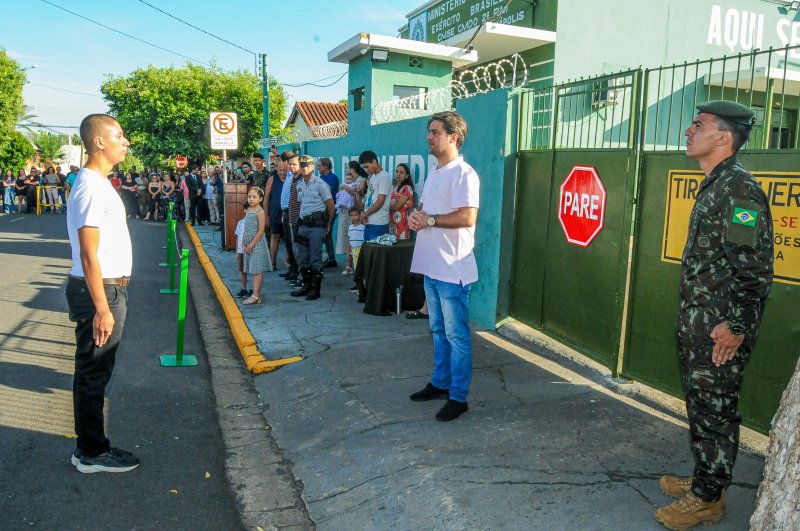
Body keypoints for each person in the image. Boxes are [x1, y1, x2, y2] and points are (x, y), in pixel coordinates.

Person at [653, 101, 774, 530]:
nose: (688, 130)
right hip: (701, 321)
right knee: (702, 405)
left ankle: (708, 499)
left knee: (716, 408)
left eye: (698, 125)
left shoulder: (739, 190)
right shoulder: (716, 184)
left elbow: (755, 271)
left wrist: (735, 327)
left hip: (721, 328)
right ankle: (707, 478)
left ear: (724, 137)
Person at [65, 113, 139, 473]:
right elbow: (87, 252)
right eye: (119, 135)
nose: (125, 142)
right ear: (98, 141)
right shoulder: (91, 186)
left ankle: (89, 447)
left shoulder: (99, 183)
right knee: (94, 372)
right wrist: (102, 307)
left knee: (94, 370)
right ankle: (92, 452)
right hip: (101, 291)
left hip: (108, 288)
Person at [408, 111, 480, 423]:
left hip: (453, 270)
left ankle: (458, 397)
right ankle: (440, 383)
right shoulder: (437, 173)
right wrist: (416, 217)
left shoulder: (464, 174)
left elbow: (468, 217)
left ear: (453, 137)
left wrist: (432, 220)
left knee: (456, 336)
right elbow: (427, 211)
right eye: (430, 132)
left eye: (435, 132)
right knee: (438, 331)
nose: (429, 137)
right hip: (432, 268)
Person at [291, 155, 335, 300]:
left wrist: (328, 224)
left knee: (316, 257)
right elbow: (301, 204)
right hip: (303, 225)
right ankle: (306, 286)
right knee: (303, 257)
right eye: (302, 165)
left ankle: (316, 290)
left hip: (317, 227)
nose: (304, 168)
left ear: (313, 166)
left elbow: (330, 205)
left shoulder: (320, 184)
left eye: (307, 165)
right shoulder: (299, 185)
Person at [336, 161, 368, 275]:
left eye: (348, 168)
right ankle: (348, 265)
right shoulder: (348, 180)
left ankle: (356, 267)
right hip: (346, 212)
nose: (347, 170)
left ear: (352, 169)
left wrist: (345, 186)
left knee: (356, 240)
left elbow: (357, 192)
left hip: (357, 213)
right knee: (347, 240)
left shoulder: (362, 180)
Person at [241, 188, 270, 305]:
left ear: (261, 199)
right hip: (247, 243)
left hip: (256, 244)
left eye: (254, 197)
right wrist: (243, 243)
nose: (251, 199)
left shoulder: (260, 212)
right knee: (251, 269)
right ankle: (256, 294)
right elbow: (245, 227)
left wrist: (251, 246)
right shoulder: (248, 209)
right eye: (249, 197)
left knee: (256, 270)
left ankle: (256, 295)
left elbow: (261, 231)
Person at [358, 150, 392, 241]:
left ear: (374, 161)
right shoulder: (372, 176)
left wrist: (364, 214)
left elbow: (379, 202)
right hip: (369, 222)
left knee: (377, 254)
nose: (365, 170)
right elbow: (370, 198)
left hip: (379, 223)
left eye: (366, 166)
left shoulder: (384, 177)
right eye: (363, 168)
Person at [317, 157, 340, 268]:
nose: (318, 167)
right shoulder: (321, 177)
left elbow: (326, 193)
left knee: (327, 233)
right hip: (322, 208)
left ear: (326, 166)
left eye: (320, 165)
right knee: (325, 234)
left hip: (330, 209)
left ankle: (331, 259)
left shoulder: (333, 178)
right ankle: (329, 258)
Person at [264, 159, 287, 270]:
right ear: (277, 169)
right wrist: (266, 215)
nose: (282, 172)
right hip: (275, 214)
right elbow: (266, 199)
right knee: (274, 236)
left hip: (287, 214)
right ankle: (272, 262)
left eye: (284, 170)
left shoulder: (291, 179)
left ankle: (289, 262)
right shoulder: (272, 179)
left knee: (288, 239)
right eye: (280, 170)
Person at [389, 163, 414, 239]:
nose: (398, 174)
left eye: (401, 172)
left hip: (401, 225)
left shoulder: (407, 188)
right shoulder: (392, 187)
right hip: (390, 224)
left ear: (406, 176)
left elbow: (396, 206)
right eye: (397, 171)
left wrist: (381, 206)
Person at [234, 201, 252, 299]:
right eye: (248, 209)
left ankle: (253, 289)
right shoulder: (240, 223)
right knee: (243, 271)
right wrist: (237, 251)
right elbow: (237, 237)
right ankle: (243, 288)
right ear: (244, 210)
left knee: (253, 271)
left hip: (250, 250)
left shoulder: (254, 223)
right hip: (241, 251)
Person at [347, 206, 365, 292]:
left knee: (362, 268)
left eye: (356, 215)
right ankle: (358, 285)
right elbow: (349, 239)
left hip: (361, 250)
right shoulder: (350, 228)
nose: (354, 217)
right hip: (354, 251)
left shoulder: (362, 227)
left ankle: (363, 285)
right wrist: (348, 251)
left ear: (360, 215)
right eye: (351, 215)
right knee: (356, 268)